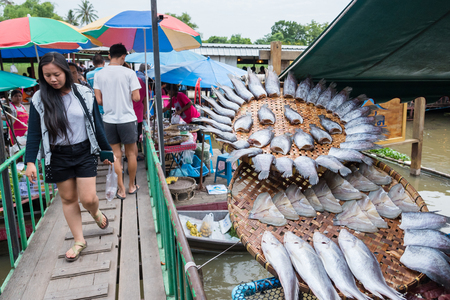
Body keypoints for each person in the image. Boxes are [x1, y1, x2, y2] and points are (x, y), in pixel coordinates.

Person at [24, 52, 113, 262]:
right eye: (47, 76)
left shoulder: (83, 93)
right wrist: (30, 162)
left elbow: (96, 124)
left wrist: (105, 150)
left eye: (56, 74)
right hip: (57, 155)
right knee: (68, 199)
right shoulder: (39, 99)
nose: (53, 79)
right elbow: (34, 132)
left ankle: (95, 213)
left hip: (83, 151)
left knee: (88, 198)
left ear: (65, 71)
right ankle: (79, 240)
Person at [93, 43, 141, 199]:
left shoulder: (99, 74)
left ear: (108, 56)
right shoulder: (129, 73)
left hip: (109, 120)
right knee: (131, 155)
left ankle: (120, 190)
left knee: (116, 156)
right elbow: (136, 97)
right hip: (127, 119)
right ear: (123, 57)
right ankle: (131, 186)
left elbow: (99, 101)